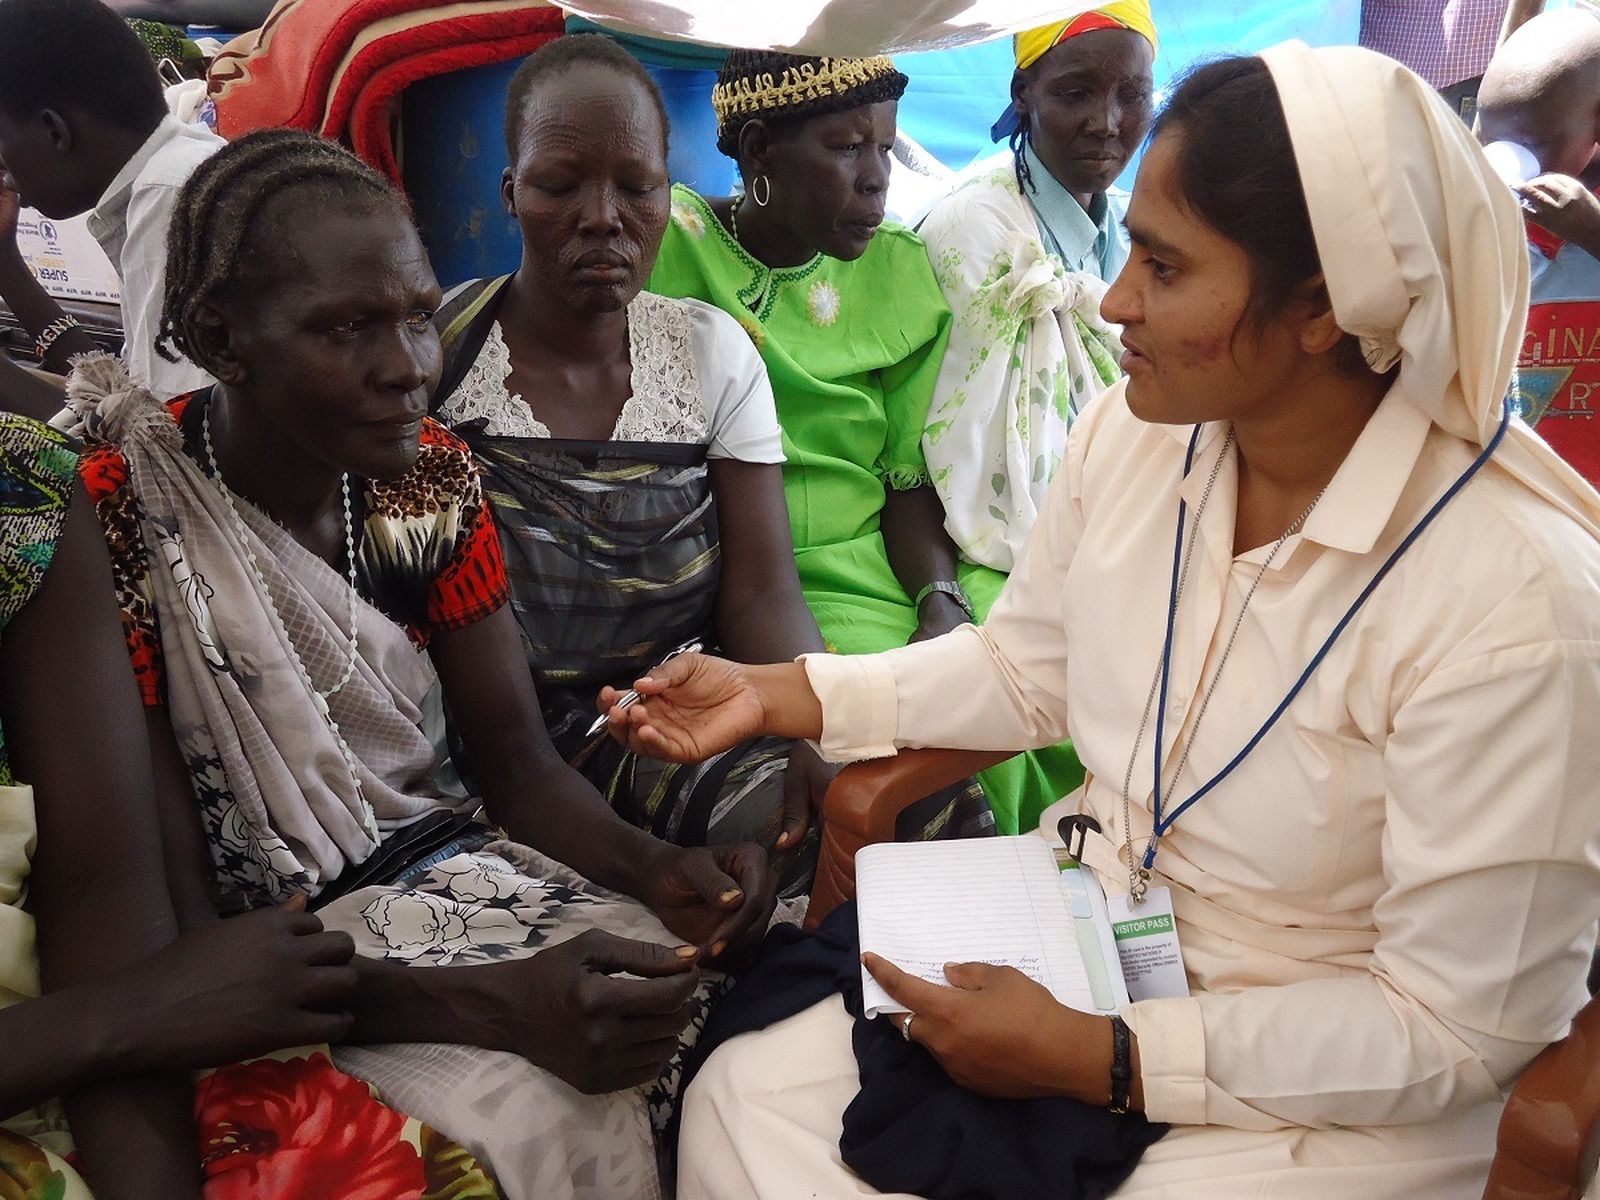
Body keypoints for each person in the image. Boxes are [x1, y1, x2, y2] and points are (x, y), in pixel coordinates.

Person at [611, 45, 1600, 1197]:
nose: (1114, 299)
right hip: (1092, 921)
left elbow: (1451, 1028)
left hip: (1329, 1060)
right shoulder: (1137, 437)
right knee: (746, 1101)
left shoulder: (1517, 605)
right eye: (1129, 249)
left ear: (1325, 307)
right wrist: (778, 691)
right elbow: (1027, 672)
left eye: (1164, 267)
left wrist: (1107, 1059)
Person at [71, 128, 775, 1200]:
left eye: (413, 314)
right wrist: (497, 1006)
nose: (408, 366)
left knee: (735, 1001)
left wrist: (657, 872)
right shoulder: (125, 521)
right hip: (248, 966)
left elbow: (518, 766)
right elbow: (183, 921)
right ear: (221, 339)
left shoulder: (426, 482)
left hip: (450, 873)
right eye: (346, 327)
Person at [432, 36, 835, 896]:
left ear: (667, 193)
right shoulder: (442, 360)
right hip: (531, 739)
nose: (602, 216)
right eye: (559, 184)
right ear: (509, 193)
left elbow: (763, 594)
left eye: (637, 185)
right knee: (787, 838)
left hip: (697, 695)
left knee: (906, 796)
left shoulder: (709, 355)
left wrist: (817, 723)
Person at [646, 49, 1026, 838]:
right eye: (849, 148)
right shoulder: (671, 248)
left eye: (885, 146)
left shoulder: (896, 270)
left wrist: (941, 602)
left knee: (1025, 671)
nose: (878, 178)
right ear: (759, 152)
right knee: (934, 740)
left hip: (884, 560)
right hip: (767, 575)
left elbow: (905, 479)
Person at [0, 403, 371, 1200]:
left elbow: (98, 887)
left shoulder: (22, 486)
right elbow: (139, 1002)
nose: (406, 369)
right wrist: (124, 1017)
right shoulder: (124, 497)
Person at [915, 4, 1156, 833]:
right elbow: (980, 448)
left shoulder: (1129, 225)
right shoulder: (976, 228)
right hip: (1000, 531)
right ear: (1024, 95)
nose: (1108, 122)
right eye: (1077, 92)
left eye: (1132, 95)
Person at [0, 0, 223, 398]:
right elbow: (126, 401)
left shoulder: (173, 200)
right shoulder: (171, 173)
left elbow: (161, 433)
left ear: (54, 131)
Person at [1479, 6, 1600, 486]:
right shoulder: (1491, 214)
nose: (1512, 158)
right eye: (1494, 140)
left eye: (1534, 142)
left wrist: (1592, 233)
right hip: (1528, 491)